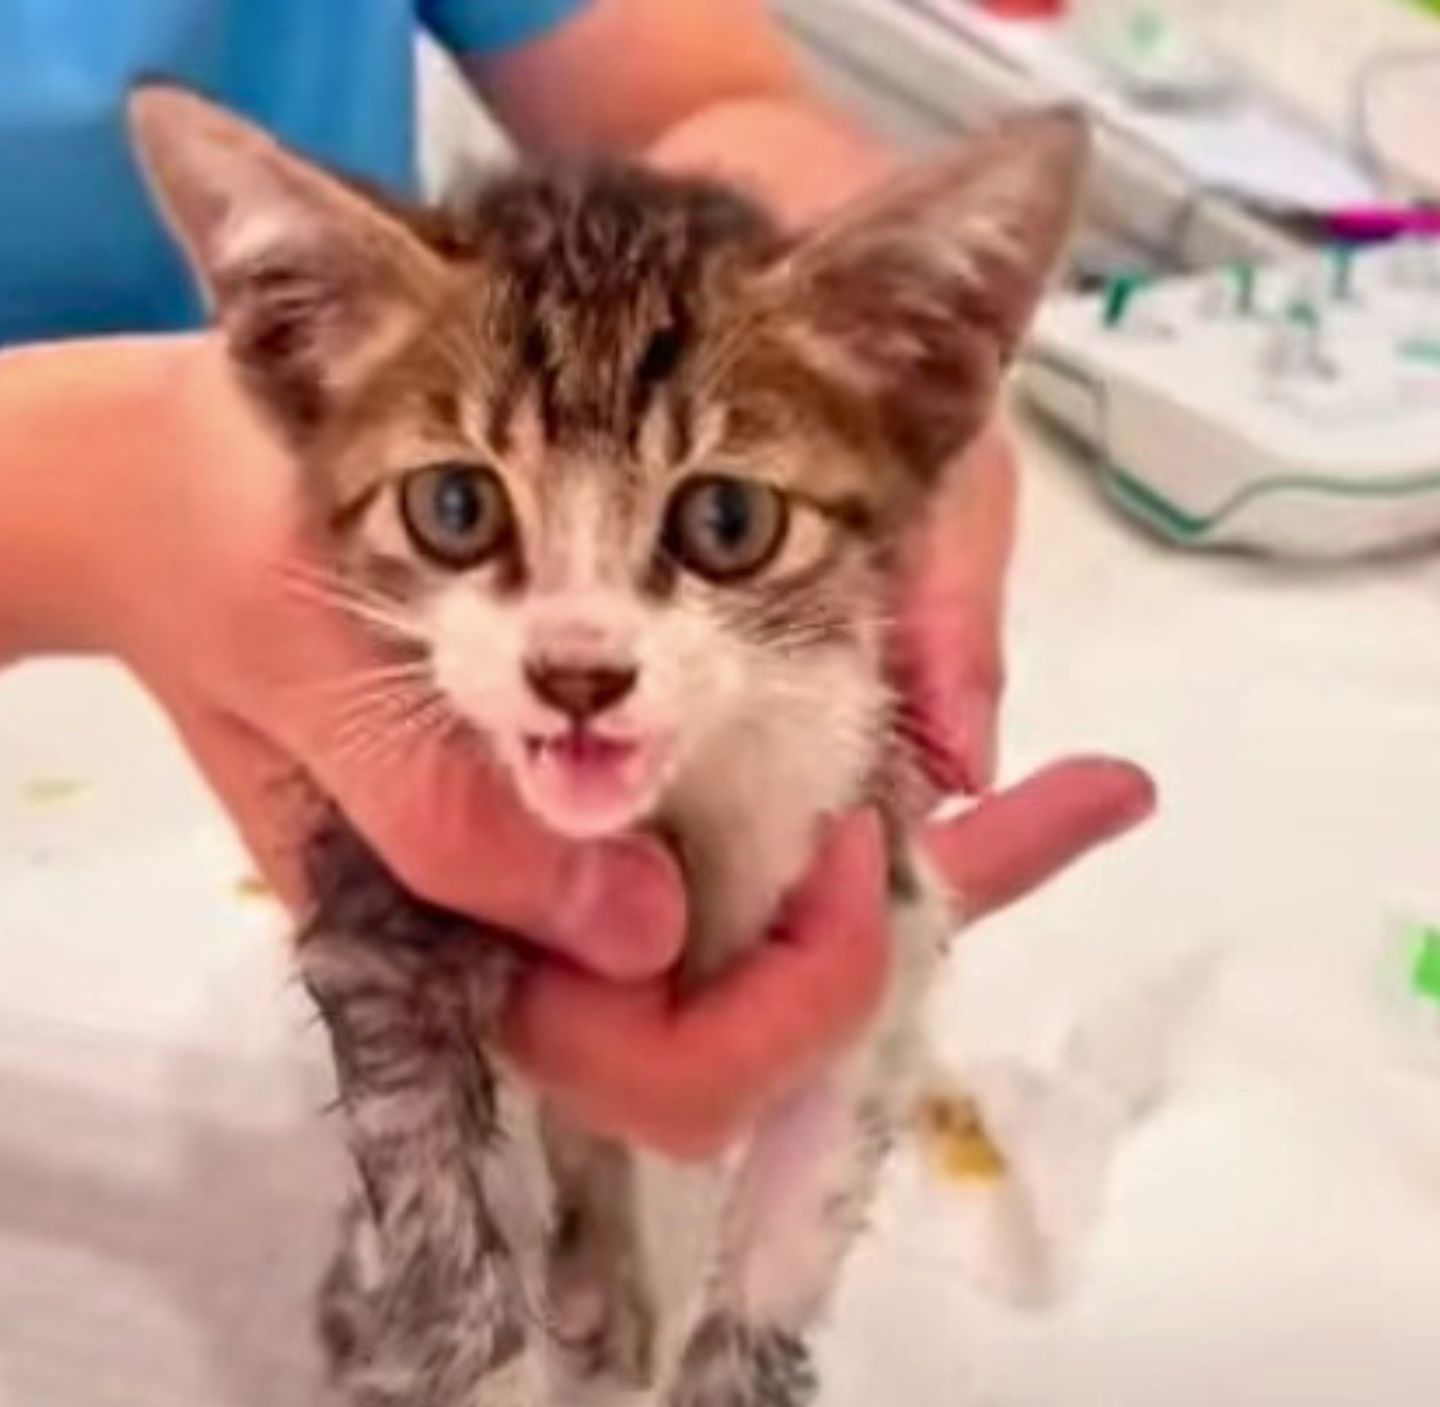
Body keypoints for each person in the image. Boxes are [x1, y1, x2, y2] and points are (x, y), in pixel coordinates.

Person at [0, 0, 1153, 1158]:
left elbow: (690, 96)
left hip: (387, 575)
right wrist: (79, 503)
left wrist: (859, 318)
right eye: (468, 513)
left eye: (726, 523)